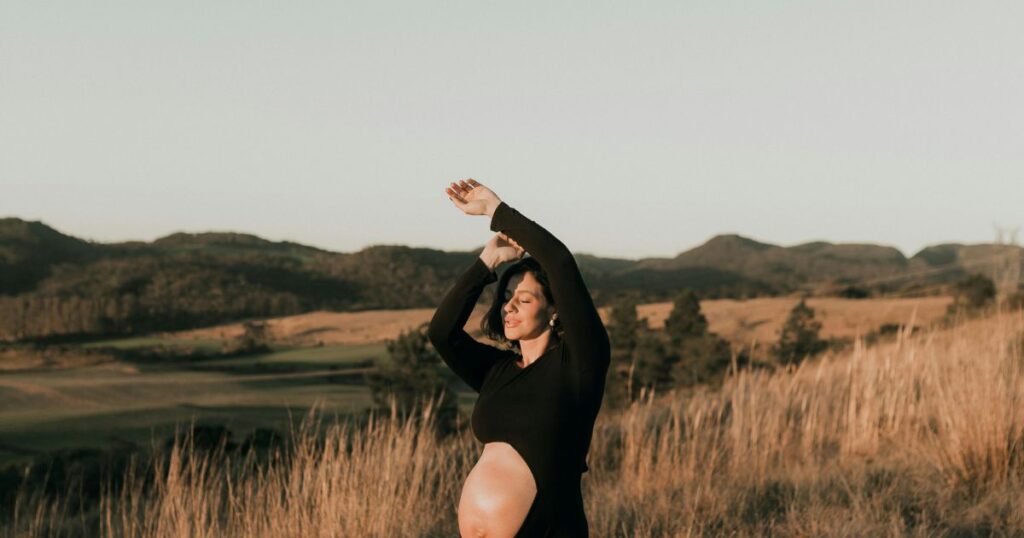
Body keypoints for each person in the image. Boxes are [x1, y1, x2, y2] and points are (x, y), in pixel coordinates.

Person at [428, 179, 611, 537]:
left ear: (555, 311)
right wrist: (488, 261)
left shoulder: (578, 366)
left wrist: (497, 211)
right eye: (507, 296)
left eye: (524, 299)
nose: (509, 305)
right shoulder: (497, 372)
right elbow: (441, 333)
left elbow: (558, 261)